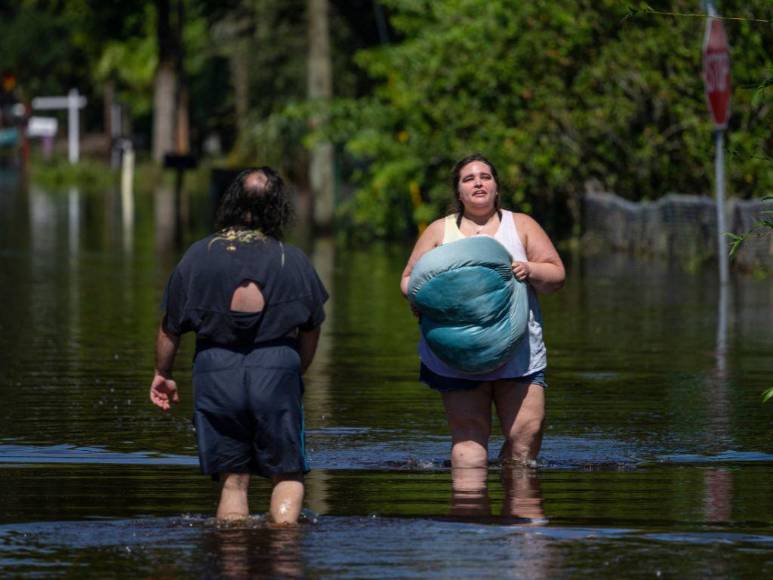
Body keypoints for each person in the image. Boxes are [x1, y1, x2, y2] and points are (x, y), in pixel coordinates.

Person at [149, 167, 328, 524]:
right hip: (277, 367)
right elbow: (311, 328)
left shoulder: (198, 256)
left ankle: (231, 557)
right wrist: (295, 371)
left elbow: (170, 328)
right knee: (287, 474)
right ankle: (284, 552)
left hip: (216, 370)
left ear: (230, 202)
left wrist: (162, 373)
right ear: (278, 208)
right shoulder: (291, 259)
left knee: (233, 481)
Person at [400, 153, 565, 470]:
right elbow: (408, 279)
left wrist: (529, 269)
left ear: (497, 187)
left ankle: (517, 511)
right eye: (468, 178)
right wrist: (427, 297)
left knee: (525, 437)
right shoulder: (439, 231)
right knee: (469, 438)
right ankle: (470, 514)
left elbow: (557, 274)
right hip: (456, 353)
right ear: (459, 192)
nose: (478, 182)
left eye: (485, 177)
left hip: (519, 353)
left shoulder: (522, 226)